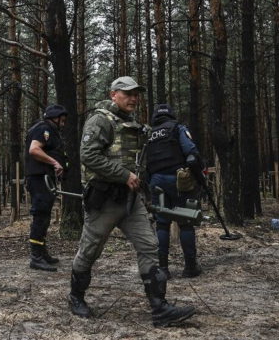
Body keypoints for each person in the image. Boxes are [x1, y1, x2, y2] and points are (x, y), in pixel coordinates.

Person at [68, 76, 195, 327]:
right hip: (104, 199)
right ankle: (76, 297)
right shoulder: (100, 120)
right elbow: (88, 155)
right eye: (128, 93)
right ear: (113, 94)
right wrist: (124, 175)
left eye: (137, 94)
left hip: (130, 200)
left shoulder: (133, 124)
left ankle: (160, 308)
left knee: (149, 246)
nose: (134, 98)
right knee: (90, 251)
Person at [146, 103, 203, 279]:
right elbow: (191, 152)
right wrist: (199, 173)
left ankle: (163, 268)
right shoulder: (178, 128)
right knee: (186, 221)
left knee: (162, 223)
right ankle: (190, 267)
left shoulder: (149, 135)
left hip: (156, 180)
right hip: (179, 180)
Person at [24, 104, 69, 272]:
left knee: (44, 216)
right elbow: (34, 150)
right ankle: (36, 257)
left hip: (46, 179)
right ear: (54, 118)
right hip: (38, 179)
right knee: (40, 216)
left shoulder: (51, 131)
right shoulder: (42, 128)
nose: (63, 124)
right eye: (62, 121)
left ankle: (42, 253)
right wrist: (54, 162)